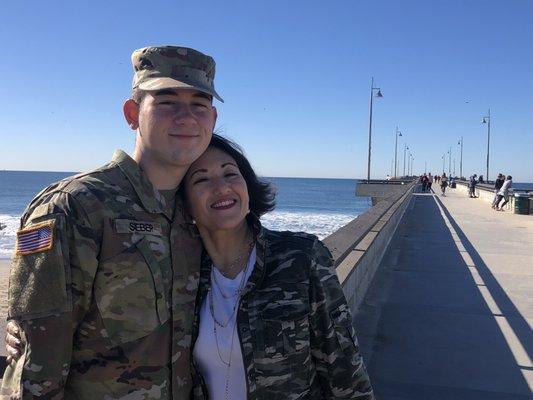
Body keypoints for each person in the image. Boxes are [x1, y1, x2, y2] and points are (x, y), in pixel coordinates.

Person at [1, 45, 222, 399]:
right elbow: (36, 364)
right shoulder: (75, 206)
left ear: (212, 120)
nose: (186, 117)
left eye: (199, 105)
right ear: (132, 114)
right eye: (166, 102)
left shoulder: (201, 210)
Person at [179, 135, 373, 399]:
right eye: (201, 179)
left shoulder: (301, 258)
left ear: (248, 188)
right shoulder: (183, 275)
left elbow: (345, 370)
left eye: (231, 174)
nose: (222, 187)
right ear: (186, 205)